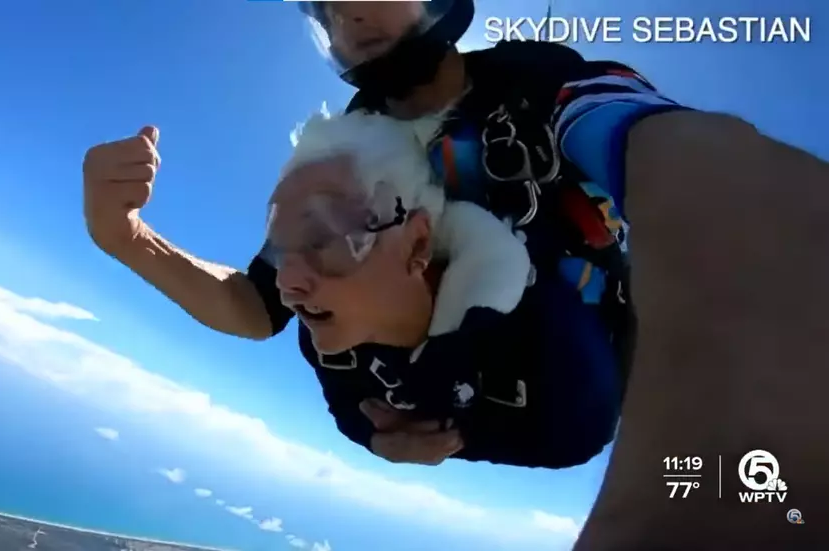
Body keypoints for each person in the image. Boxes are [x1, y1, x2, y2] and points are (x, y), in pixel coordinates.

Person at [84, 1, 829, 546]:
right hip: (436, 397)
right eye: (323, 8)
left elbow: (677, 152)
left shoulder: (545, 85)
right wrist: (126, 236)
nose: (345, 12)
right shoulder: (348, 145)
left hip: (570, 367)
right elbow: (256, 304)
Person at [264, 109, 620, 468]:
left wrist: (448, 435)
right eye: (280, 249)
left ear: (418, 243)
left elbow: (578, 436)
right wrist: (382, 442)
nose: (286, 283)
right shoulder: (328, 331)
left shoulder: (554, 341)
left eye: (325, 238)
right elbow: (347, 410)